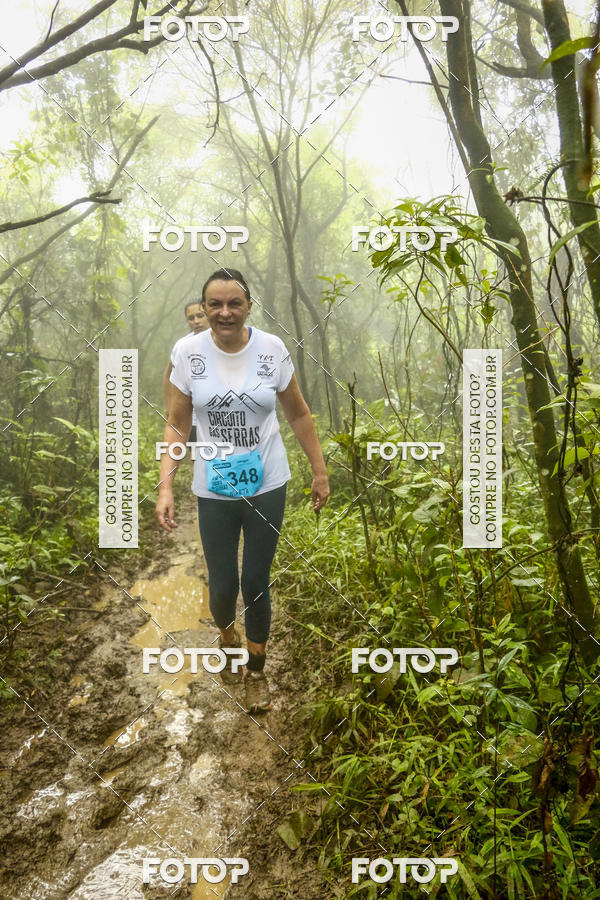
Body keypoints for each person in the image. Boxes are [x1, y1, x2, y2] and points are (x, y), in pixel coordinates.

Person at [156, 268, 330, 714]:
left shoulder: (271, 349)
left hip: (267, 482)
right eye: (215, 304)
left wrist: (319, 470)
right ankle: (227, 638)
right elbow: (177, 421)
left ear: (249, 306)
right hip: (213, 489)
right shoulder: (187, 351)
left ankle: (256, 670)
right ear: (205, 308)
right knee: (221, 585)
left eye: (234, 303)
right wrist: (166, 485)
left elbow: (299, 413)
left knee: (254, 580)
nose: (225, 312)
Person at [162, 300, 208, 442]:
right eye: (191, 318)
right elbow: (168, 375)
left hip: (223, 419)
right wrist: (169, 409)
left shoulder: (226, 340)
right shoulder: (182, 345)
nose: (196, 321)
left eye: (200, 316)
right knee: (199, 460)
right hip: (192, 420)